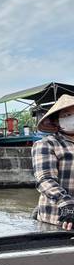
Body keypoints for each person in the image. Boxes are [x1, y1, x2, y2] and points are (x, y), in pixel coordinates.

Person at [32, 94, 74, 231]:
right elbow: (45, 179)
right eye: (67, 114)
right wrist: (67, 205)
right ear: (56, 121)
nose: (72, 117)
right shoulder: (47, 144)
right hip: (57, 218)